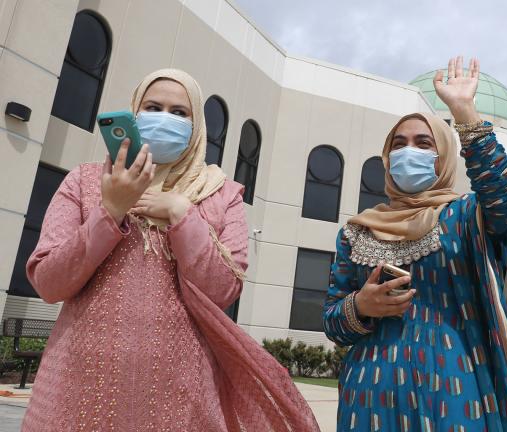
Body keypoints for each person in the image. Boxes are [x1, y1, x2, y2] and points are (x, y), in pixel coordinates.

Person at [22, 69, 319, 432]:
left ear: (197, 127)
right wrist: (111, 209)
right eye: (153, 107)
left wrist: (182, 214)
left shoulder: (221, 195)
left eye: (180, 113)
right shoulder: (85, 182)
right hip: (79, 390)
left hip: (180, 398)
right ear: (134, 113)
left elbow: (224, 290)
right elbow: (49, 282)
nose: (165, 118)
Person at [323, 56, 507, 432]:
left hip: (451, 395)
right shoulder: (357, 231)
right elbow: (334, 324)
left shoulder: (466, 218)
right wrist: (360, 306)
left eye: (423, 143)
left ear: (444, 156)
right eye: (399, 144)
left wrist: (464, 112)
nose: (408, 151)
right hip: (368, 399)